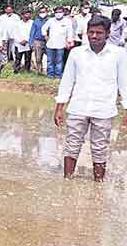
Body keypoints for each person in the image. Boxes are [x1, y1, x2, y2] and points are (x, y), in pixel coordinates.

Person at [54, 15, 127, 182]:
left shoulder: (119, 54)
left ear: (107, 33)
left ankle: (98, 183)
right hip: (78, 107)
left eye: (99, 33)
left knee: (100, 147)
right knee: (72, 144)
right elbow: (67, 81)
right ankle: (67, 180)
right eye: (91, 32)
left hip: (104, 109)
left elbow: (124, 84)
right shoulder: (76, 53)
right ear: (86, 33)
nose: (94, 36)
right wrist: (59, 108)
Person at [43, 6, 74, 78]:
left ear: (63, 12)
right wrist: (45, 35)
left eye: (60, 12)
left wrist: (69, 42)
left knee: (59, 61)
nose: (58, 14)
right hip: (50, 44)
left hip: (61, 45)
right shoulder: (50, 20)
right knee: (50, 61)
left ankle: (58, 75)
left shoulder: (67, 21)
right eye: (56, 12)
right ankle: (50, 75)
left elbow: (70, 32)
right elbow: (43, 28)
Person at [29, 6, 49, 73]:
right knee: (38, 58)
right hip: (38, 41)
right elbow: (32, 32)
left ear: (46, 12)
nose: (42, 13)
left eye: (44, 12)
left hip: (48, 41)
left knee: (50, 57)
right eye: (41, 12)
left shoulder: (50, 21)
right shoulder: (36, 21)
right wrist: (31, 42)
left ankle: (49, 71)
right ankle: (39, 71)